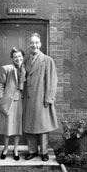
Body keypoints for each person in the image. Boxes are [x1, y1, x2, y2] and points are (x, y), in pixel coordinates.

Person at [23, 33, 58, 161]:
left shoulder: (47, 60)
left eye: (36, 42)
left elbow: (52, 80)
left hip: (41, 98)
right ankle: (32, 151)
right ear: (29, 44)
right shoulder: (26, 60)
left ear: (40, 44)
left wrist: (49, 98)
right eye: (32, 42)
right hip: (28, 98)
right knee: (29, 126)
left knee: (43, 126)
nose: (34, 45)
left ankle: (44, 152)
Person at [0, 47, 26, 160]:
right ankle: (5, 148)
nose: (18, 58)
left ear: (22, 57)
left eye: (20, 56)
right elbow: (0, 84)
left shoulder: (24, 69)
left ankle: (16, 149)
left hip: (20, 101)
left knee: (18, 126)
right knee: (7, 126)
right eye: (15, 57)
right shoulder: (6, 69)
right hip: (8, 101)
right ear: (12, 58)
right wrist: (1, 99)